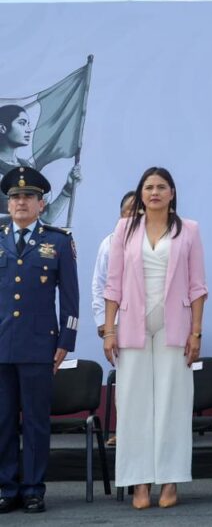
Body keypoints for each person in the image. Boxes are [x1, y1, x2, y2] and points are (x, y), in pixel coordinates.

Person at [102, 167, 208, 510]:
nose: (155, 192)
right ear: (141, 192)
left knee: (173, 405)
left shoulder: (189, 230)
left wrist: (196, 332)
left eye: (161, 187)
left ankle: (170, 480)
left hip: (174, 326)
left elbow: (197, 287)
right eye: (149, 187)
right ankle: (139, 483)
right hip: (132, 324)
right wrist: (109, 328)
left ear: (172, 193)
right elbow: (113, 283)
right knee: (132, 406)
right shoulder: (124, 228)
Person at [0, 166, 79, 514]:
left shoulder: (57, 241)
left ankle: (33, 488)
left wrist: (66, 340)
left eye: (27, 197)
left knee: (34, 421)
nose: (20, 202)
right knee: (1, 421)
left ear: (41, 204)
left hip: (38, 347)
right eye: (15, 197)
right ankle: (6, 487)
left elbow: (71, 297)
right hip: (1, 346)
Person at [0, 105, 81, 227]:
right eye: (22, 123)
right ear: (2, 128)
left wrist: (68, 189)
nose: (28, 129)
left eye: (28, 124)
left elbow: (47, 217)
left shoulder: (27, 168)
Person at [91, 192, 136, 337]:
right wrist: (102, 321)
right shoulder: (109, 243)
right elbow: (99, 283)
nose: (136, 213)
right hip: (118, 323)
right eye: (131, 209)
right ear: (122, 214)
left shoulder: (160, 244)